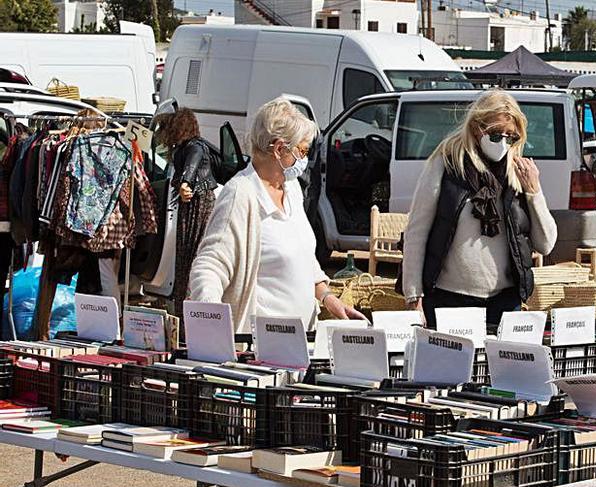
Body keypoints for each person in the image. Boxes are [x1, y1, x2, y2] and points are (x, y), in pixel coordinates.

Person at [189, 98, 365, 333]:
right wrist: (212, 325)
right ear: (279, 149)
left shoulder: (291, 189)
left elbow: (303, 257)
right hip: (263, 348)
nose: (304, 159)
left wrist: (328, 298)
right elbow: (209, 266)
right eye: (302, 151)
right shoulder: (240, 194)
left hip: (303, 341)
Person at [402, 90, 557, 328]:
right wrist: (413, 296)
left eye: (511, 137)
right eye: (495, 135)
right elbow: (416, 231)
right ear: (476, 128)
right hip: (449, 299)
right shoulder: (447, 163)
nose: (503, 144)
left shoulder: (517, 171)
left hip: (505, 301)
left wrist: (535, 191)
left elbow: (545, 244)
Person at [159, 108, 218, 318]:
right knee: (188, 258)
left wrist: (185, 183)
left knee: (192, 257)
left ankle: (187, 315)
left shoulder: (194, 147)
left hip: (197, 205)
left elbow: (190, 170)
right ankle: (185, 315)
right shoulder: (187, 147)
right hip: (194, 205)